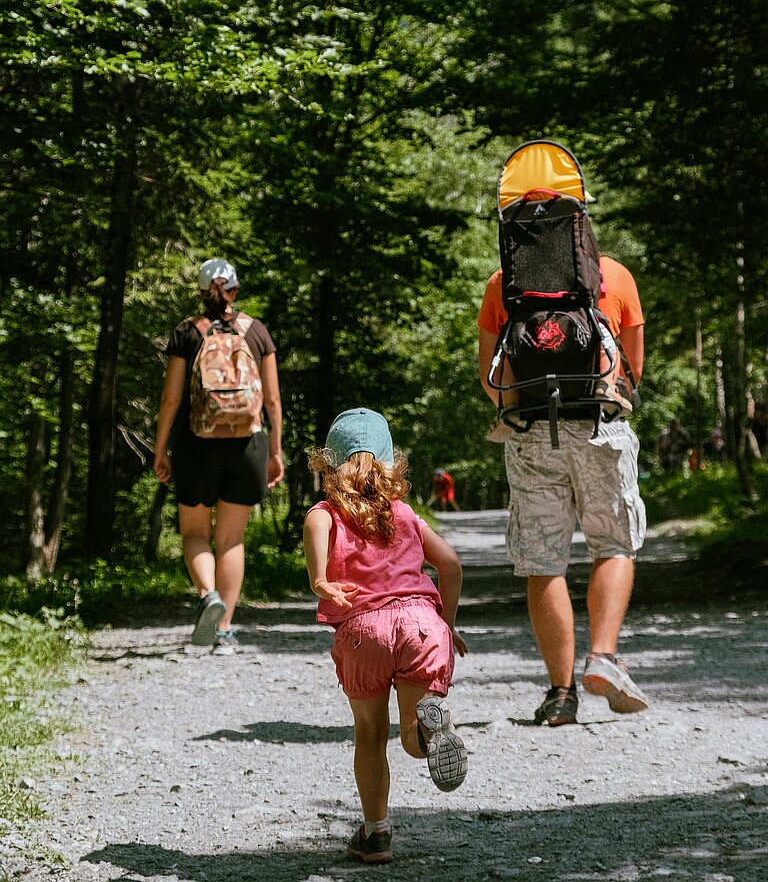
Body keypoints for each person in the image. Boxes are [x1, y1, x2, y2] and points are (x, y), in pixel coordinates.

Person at [478, 254, 649, 726]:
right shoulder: (613, 275)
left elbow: (490, 376)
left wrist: (527, 408)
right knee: (613, 543)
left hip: (533, 432)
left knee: (544, 561)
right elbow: (631, 369)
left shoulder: (503, 285)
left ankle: (560, 694)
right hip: (601, 425)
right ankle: (603, 657)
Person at [303, 408, 468, 865]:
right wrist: (447, 626)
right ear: (390, 461)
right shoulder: (405, 514)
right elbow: (451, 566)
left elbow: (317, 547)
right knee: (413, 734)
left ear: (328, 464)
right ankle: (433, 735)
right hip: (421, 623)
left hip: (363, 631)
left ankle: (376, 834)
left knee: (371, 732)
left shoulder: (325, 513)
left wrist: (321, 581)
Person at [153, 258, 284, 653]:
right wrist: (275, 452)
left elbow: (171, 398)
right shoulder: (256, 331)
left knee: (194, 533)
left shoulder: (187, 332)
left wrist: (161, 448)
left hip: (197, 444)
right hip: (249, 444)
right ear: (236, 291)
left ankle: (208, 594)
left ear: (201, 291)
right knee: (231, 539)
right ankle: (224, 627)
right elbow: (273, 400)